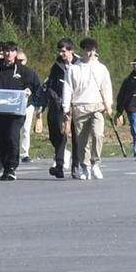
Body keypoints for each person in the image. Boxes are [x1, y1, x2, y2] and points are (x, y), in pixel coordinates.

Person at [0, 42, 38, 180]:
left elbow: (34, 83)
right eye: (6, 51)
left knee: (12, 136)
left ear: (15, 53)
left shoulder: (23, 70)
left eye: (11, 51)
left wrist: (29, 90)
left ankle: (12, 166)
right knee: (1, 139)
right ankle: (5, 166)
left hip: (16, 112)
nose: (8, 54)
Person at [67, 37, 114, 179]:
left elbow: (107, 87)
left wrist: (109, 105)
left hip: (97, 107)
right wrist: (66, 108)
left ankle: (95, 163)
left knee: (98, 134)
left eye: (92, 50)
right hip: (79, 106)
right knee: (82, 140)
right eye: (87, 50)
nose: (90, 53)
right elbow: (68, 88)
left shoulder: (101, 68)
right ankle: (84, 166)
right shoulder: (73, 69)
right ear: (82, 51)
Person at [44, 40, 75, 177]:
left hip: (75, 104)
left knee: (73, 136)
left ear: (71, 51)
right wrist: (57, 99)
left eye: (64, 51)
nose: (61, 53)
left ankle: (62, 165)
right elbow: (50, 85)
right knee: (55, 134)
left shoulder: (79, 64)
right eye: (60, 51)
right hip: (58, 105)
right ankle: (62, 155)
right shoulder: (56, 66)